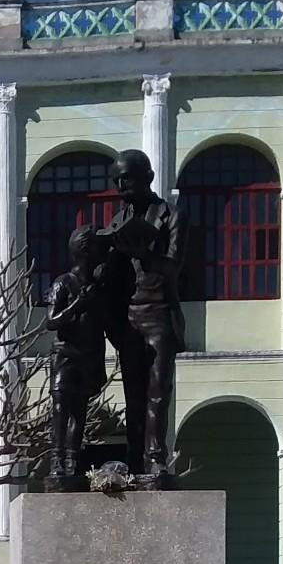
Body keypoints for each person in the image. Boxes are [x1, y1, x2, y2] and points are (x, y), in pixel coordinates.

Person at [96, 149, 185, 480]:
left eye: (128, 178)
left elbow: (174, 267)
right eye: (117, 180)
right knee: (133, 393)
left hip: (159, 310)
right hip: (129, 315)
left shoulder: (171, 215)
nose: (122, 186)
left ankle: (155, 456)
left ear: (147, 177)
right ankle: (136, 458)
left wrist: (143, 253)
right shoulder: (117, 221)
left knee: (159, 390)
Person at [45, 225, 106, 482]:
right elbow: (51, 321)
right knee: (61, 406)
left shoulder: (96, 286)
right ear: (83, 250)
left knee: (80, 410)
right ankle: (56, 459)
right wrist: (77, 304)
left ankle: (72, 461)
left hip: (87, 354)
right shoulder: (64, 283)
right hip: (65, 355)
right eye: (93, 247)